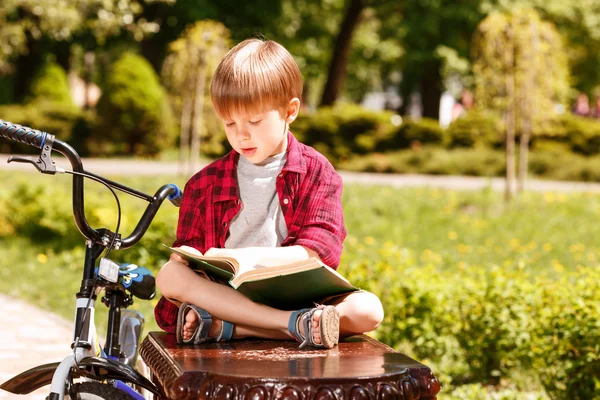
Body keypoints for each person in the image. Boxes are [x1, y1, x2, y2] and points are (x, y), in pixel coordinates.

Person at [154, 38, 384, 349]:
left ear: (290, 111)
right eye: (230, 123)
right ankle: (289, 327)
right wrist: (187, 259)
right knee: (169, 275)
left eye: (255, 121)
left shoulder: (317, 172)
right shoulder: (203, 183)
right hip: (228, 298)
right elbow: (188, 262)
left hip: (300, 300)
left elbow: (318, 252)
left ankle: (237, 329)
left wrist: (243, 258)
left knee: (368, 308)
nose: (241, 135)